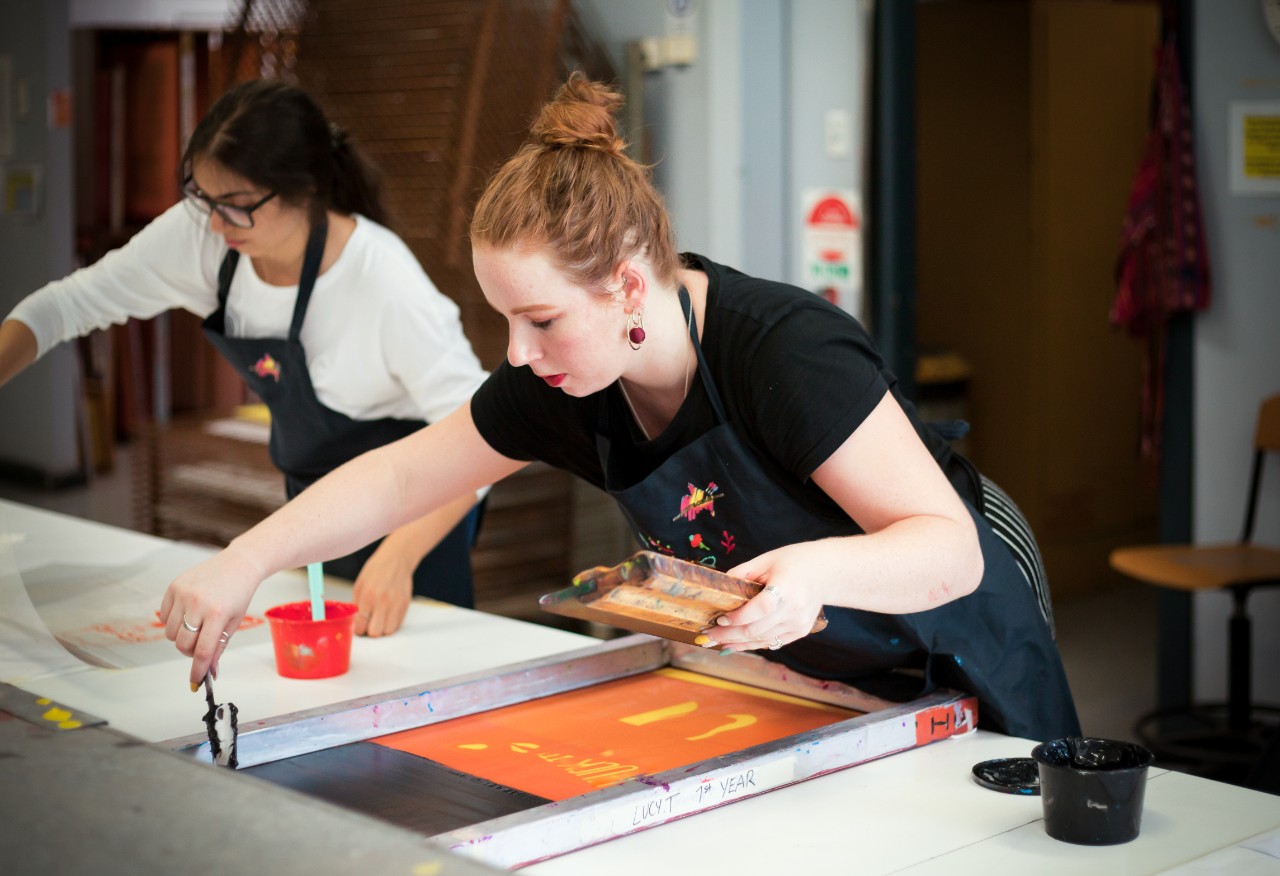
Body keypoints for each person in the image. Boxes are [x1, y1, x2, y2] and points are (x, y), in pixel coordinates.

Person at [158, 73, 1079, 742]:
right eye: (506, 321)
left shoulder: (783, 352)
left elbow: (945, 548)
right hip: (830, 657)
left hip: (957, 610)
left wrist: (812, 573)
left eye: (540, 319)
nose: (517, 353)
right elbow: (402, 473)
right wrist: (246, 559)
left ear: (628, 287)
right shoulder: (567, 381)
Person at [0, 79, 488, 638]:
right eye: (203, 198)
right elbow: (62, 307)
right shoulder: (206, 239)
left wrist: (399, 558)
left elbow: (478, 436)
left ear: (305, 190)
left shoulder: (382, 280)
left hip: (414, 531)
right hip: (311, 520)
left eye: (236, 207)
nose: (213, 223)